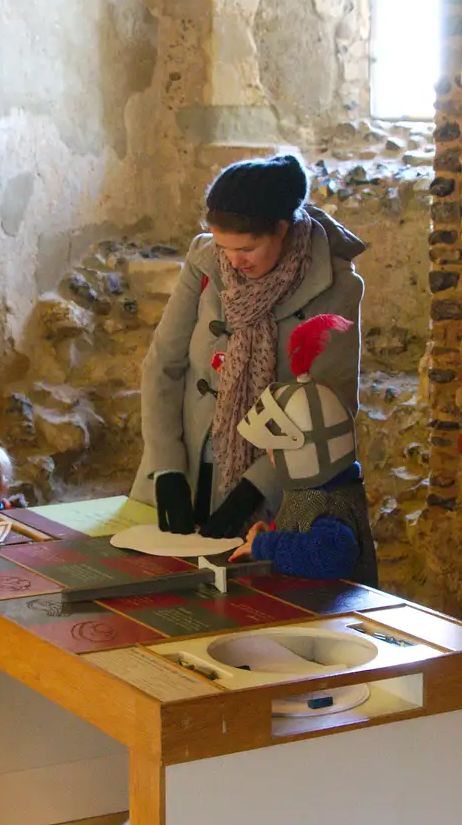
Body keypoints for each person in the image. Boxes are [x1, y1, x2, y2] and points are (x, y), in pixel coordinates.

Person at [131, 153, 366, 538]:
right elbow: (163, 365)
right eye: (224, 247)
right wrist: (167, 467)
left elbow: (329, 408)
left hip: (269, 488)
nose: (233, 260)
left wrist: (255, 488)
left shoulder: (335, 286)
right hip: (184, 470)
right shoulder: (205, 260)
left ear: (281, 227)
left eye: (247, 249)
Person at [228, 313, 377, 585]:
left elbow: (333, 556)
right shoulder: (318, 487)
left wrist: (267, 546)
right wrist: (271, 533)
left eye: (275, 449)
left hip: (334, 621)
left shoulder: (329, 501)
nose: (270, 456)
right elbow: (303, 531)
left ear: (308, 450)